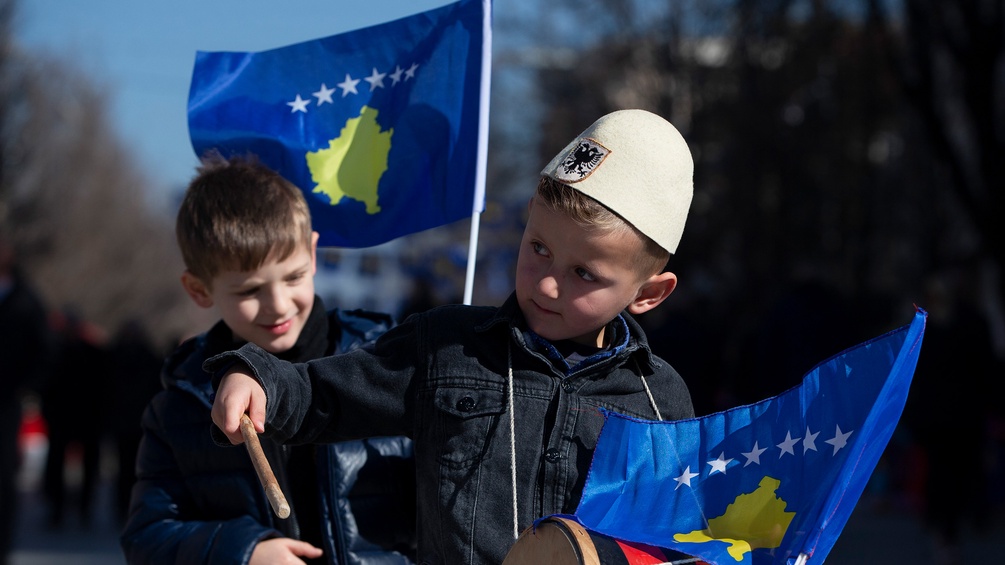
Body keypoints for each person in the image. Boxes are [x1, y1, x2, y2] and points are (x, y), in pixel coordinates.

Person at [209, 109, 698, 564]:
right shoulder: (447, 347)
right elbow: (324, 394)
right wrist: (259, 380)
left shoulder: (662, 401)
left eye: (584, 274)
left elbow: (677, 539)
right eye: (539, 248)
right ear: (527, 218)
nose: (547, 283)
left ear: (649, 293)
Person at [120, 154, 416, 565]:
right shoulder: (180, 407)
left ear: (312, 254)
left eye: (293, 277)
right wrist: (245, 552)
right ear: (199, 289)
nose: (277, 305)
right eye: (248, 291)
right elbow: (147, 537)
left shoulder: (388, 364)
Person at [0, 238, 52, 564]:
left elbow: (45, 350)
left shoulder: (25, 300)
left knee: (3, 476)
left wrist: (28, 389)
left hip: (6, 401)